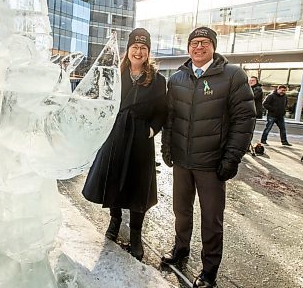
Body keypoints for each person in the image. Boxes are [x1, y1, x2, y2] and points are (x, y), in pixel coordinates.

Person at [161, 27, 256, 287]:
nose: (198, 47)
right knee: (181, 211)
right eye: (194, 43)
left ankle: (209, 270)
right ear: (188, 47)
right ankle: (180, 249)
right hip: (182, 161)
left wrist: (232, 158)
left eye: (204, 42)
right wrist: (166, 148)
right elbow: (170, 118)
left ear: (213, 46)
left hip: (212, 164)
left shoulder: (233, 76)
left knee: (211, 219)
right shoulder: (178, 78)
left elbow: (245, 119)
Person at [82, 28, 167, 261]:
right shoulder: (114, 75)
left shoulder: (159, 81)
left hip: (140, 139)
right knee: (113, 180)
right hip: (115, 135)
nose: (138, 51)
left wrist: (151, 130)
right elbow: (100, 103)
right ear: (128, 50)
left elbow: (162, 112)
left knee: (138, 187)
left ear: (148, 52)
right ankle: (115, 219)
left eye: (143, 48)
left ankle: (136, 235)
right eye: (135, 47)